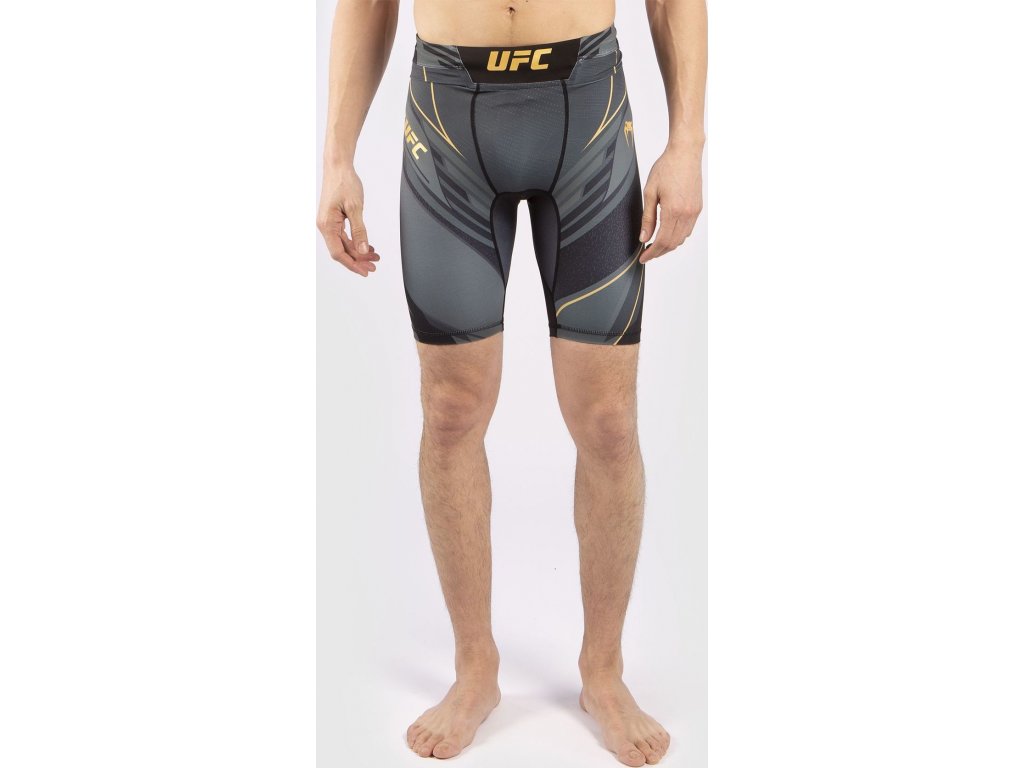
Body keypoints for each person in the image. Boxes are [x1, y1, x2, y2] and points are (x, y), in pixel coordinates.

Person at [317, 1, 705, 764]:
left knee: (608, 422)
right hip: (447, 126)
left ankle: (603, 671)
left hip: (588, 117)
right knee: (451, 410)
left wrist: (686, 141)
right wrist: (337, 157)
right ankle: (475, 668)